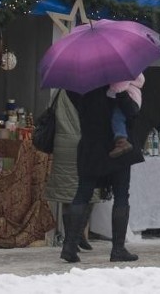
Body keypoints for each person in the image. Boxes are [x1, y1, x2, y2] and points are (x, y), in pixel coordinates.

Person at [60, 86, 144, 263]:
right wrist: (122, 94)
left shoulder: (79, 86)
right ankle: (118, 249)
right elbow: (132, 112)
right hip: (118, 150)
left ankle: (69, 245)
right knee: (121, 195)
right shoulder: (120, 86)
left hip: (91, 147)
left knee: (83, 193)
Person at [43, 90, 99, 254]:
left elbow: (51, 112)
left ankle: (71, 237)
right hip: (86, 144)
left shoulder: (59, 92)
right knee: (90, 192)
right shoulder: (93, 92)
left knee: (67, 194)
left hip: (63, 144)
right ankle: (76, 235)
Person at [106, 74, 145, 158]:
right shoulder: (133, 76)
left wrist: (113, 88)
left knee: (117, 118)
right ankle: (122, 141)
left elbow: (119, 87)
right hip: (133, 98)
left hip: (129, 98)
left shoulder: (124, 75)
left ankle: (122, 141)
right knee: (118, 117)